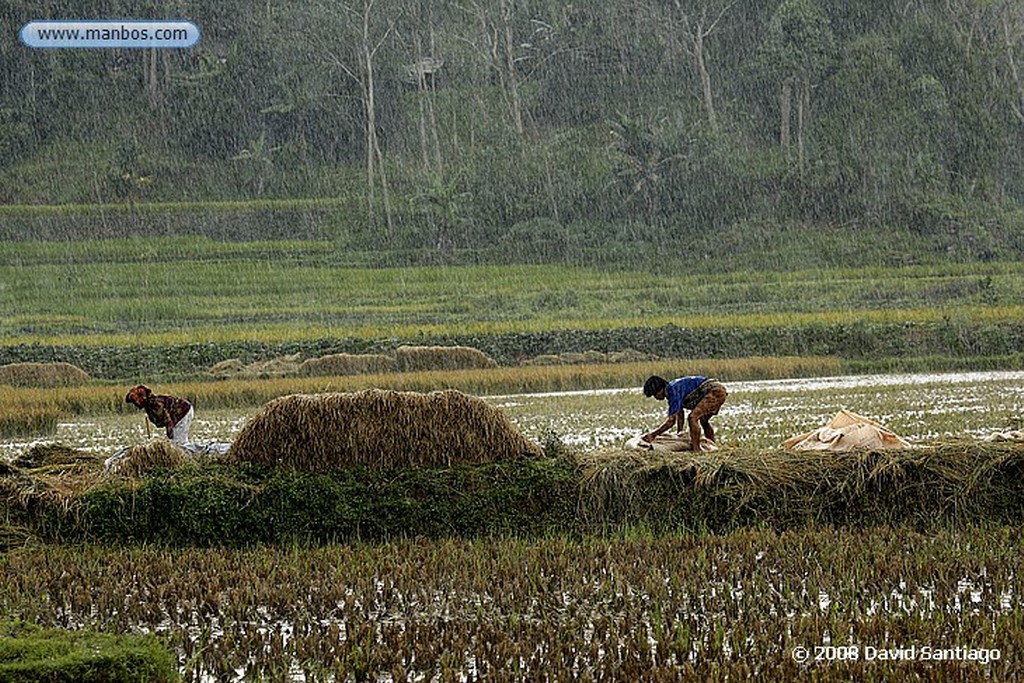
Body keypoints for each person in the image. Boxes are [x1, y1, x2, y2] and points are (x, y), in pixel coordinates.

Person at [641, 375, 727, 451]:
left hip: (714, 391)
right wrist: (680, 434)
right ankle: (712, 445)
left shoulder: (672, 390)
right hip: (716, 389)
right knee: (703, 421)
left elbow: (671, 421)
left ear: (660, 390)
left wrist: (653, 435)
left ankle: (696, 449)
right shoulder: (673, 389)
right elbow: (679, 414)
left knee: (692, 418)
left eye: (655, 394)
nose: (656, 398)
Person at [125, 384, 194, 445]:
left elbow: (167, 420)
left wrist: (170, 435)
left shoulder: (154, 404)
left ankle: (194, 453)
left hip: (183, 412)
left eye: (135, 402)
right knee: (177, 441)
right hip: (185, 410)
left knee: (178, 443)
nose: (135, 404)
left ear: (140, 398)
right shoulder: (149, 405)